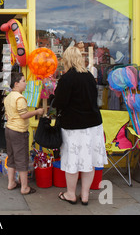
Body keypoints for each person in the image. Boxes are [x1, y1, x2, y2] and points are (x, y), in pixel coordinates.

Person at [52, 46, 108, 205]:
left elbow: (59, 102)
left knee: (72, 161)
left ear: (67, 60)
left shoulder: (67, 78)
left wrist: (53, 98)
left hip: (74, 126)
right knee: (88, 161)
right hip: (93, 125)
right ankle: (84, 195)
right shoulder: (90, 76)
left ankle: (71, 194)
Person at [3, 72, 44, 195]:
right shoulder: (19, 98)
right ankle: (25, 187)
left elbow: (7, 114)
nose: (26, 83)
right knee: (22, 159)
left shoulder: (8, 97)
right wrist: (37, 111)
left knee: (11, 157)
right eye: (23, 81)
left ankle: (11, 183)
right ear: (16, 84)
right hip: (19, 131)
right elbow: (23, 115)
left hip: (9, 129)